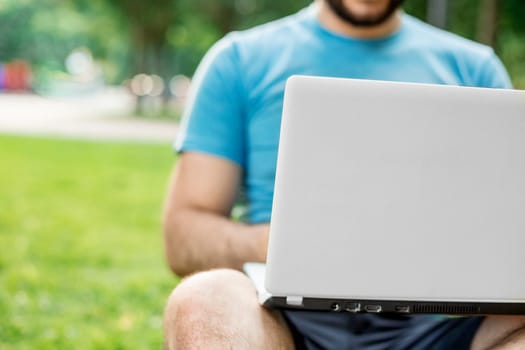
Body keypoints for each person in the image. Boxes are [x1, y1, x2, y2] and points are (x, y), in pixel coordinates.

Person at [162, 0, 525, 348]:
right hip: (276, 324)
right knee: (204, 298)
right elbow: (183, 235)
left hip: (435, 328)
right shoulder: (239, 61)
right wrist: (285, 245)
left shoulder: (475, 69)